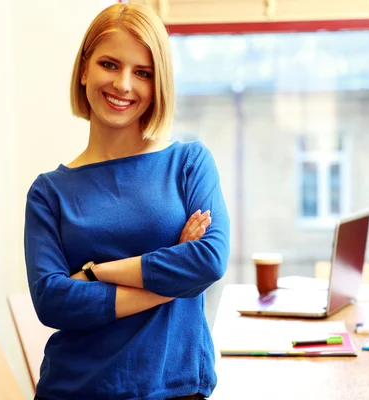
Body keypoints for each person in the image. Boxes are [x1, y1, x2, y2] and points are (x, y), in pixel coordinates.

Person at [23, 3, 230, 400]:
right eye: (109, 64)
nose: (123, 85)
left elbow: (208, 260)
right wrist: (172, 279)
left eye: (143, 73)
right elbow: (53, 302)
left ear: (158, 84)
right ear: (84, 69)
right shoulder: (48, 192)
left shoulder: (188, 163)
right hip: (76, 390)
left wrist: (96, 272)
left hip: (176, 388)